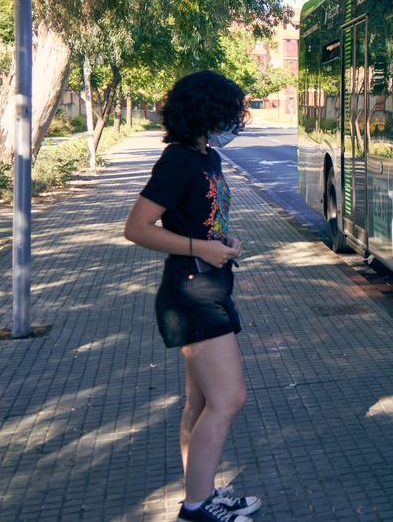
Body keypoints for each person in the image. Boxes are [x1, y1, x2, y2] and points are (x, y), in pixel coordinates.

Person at [124, 71, 261, 522]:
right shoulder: (177, 161)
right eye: (231, 108)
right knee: (230, 399)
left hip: (211, 284)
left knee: (202, 403)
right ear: (207, 110)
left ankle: (201, 493)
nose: (237, 117)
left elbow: (203, 223)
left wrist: (222, 244)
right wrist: (200, 248)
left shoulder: (210, 158)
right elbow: (136, 228)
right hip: (189, 292)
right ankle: (196, 509)